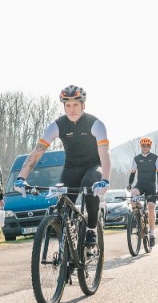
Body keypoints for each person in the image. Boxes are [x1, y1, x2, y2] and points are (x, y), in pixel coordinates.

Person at [14, 85, 110, 249]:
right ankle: (68, 245)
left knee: (89, 185)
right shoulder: (57, 125)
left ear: (83, 105)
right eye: (68, 105)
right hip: (71, 168)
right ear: (64, 107)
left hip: (93, 166)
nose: (72, 109)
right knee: (62, 204)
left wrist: (105, 179)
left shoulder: (96, 124)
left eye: (75, 105)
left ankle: (91, 229)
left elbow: (104, 154)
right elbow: (37, 152)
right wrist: (21, 178)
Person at [127, 137, 158, 247]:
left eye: (146, 146)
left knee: (151, 208)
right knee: (133, 196)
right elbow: (132, 173)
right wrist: (130, 184)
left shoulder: (155, 158)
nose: (145, 147)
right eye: (143, 146)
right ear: (141, 146)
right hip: (140, 185)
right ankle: (137, 217)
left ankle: (151, 234)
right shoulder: (136, 159)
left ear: (150, 147)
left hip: (151, 187)